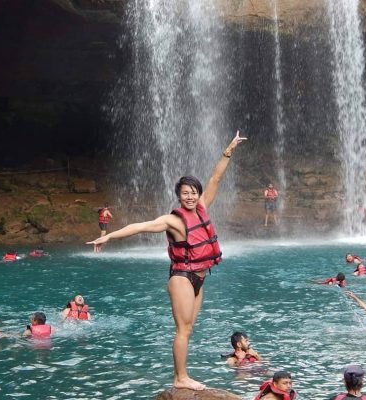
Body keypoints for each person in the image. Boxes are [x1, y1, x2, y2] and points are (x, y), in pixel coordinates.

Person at [86, 132, 246, 390]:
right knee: (182, 329)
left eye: (194, 192)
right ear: (179, 196)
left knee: (189, 328)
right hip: (182, 277)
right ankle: (180, 378)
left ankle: (183, 375)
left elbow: (216, 177)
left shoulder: (203, 207)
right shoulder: (173, 220)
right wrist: (109, 237)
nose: (191, 197)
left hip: (200, 278)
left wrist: (228, 150)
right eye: (185, 193)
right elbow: (141, 226)